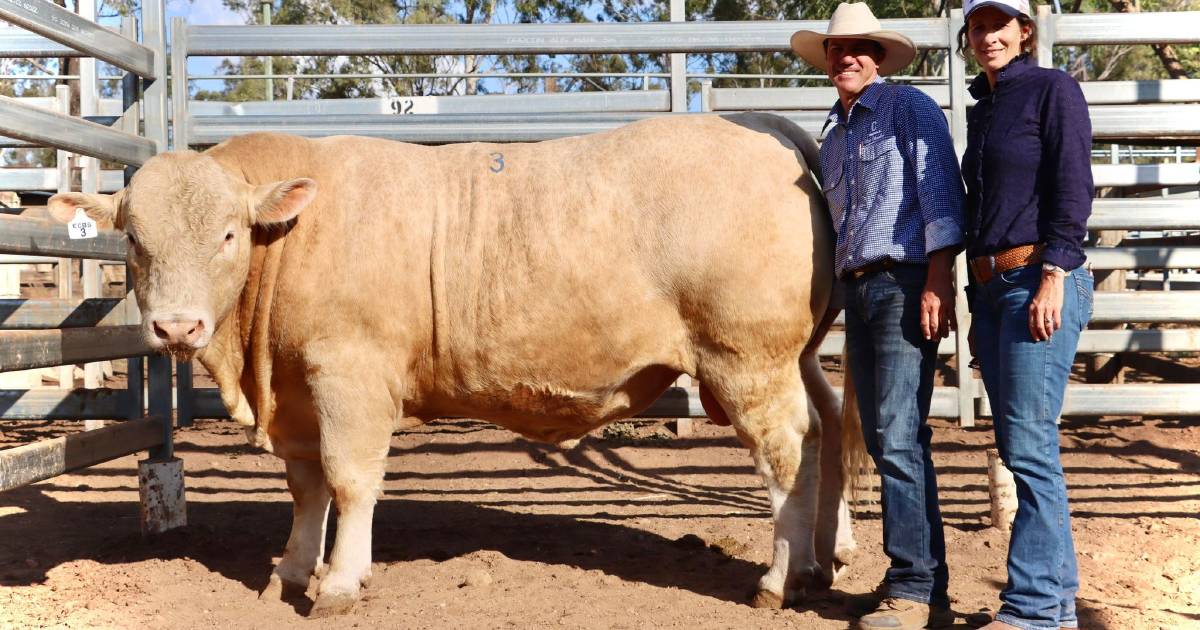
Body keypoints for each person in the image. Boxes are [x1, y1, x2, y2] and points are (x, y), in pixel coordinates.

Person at [791, 4, 965, 629]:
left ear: (879, 56)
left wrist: (937, 279)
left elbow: (941, 191)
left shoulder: (908, 108)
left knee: (894, 434)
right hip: (860, 291)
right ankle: (926, 587)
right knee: (896, 434)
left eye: (859, 48)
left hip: (904, 279)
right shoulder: (834, 135)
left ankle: (911, 589)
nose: (846, 57)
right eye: (837, 49)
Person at [959, 0, 1094, 628]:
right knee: (1023, 444)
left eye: (999, 25)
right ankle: (1056, 604)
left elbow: (1072, 187)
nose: (988, 36)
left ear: (1024, 32)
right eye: (978, 26)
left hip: (1036, 280)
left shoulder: (1052, 89)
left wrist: (1054, 274)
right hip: (990, 290)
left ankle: (1036, 609)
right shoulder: (984, 108)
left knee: (1030, 446)